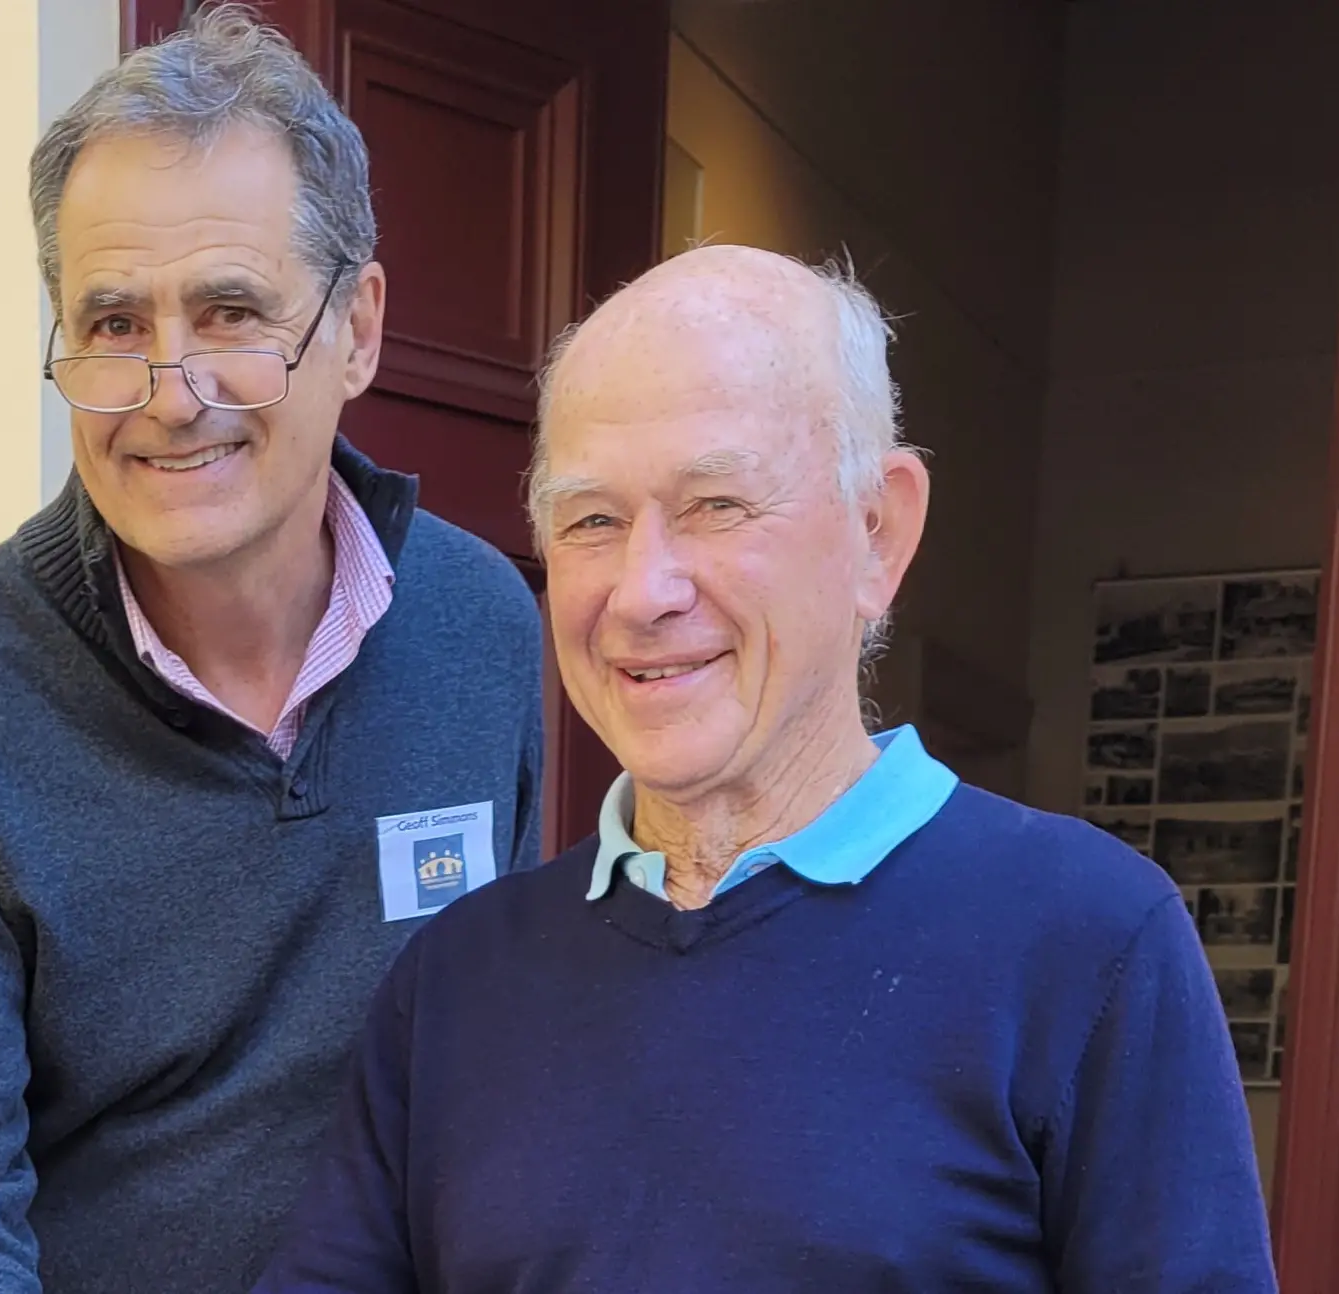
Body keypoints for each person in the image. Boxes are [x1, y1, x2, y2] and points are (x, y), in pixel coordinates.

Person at [254, 245, 1276, 1292]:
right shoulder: (458, 979)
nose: (644, 590)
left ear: (879, 532)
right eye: (593, 520)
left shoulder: (1091, 942)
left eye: (717, 506)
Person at [0, 10, 546, 1292]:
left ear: (360, 327)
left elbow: (516, 1058)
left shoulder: (483, 627)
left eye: (229, 312)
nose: (170, 391)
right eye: (113, 323)